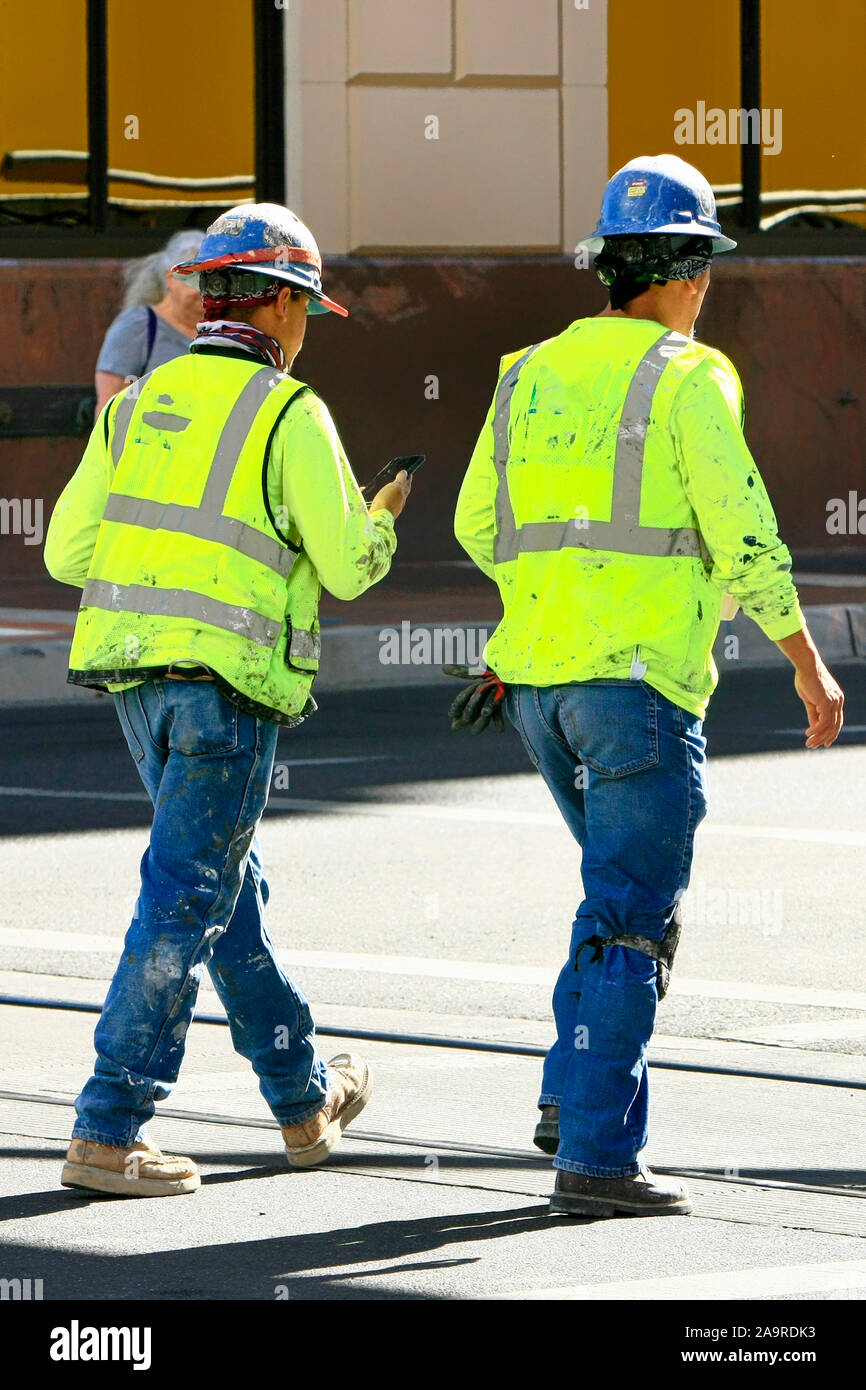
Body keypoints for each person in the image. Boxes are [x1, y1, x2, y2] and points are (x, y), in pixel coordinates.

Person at [452, 155, 844, 1218]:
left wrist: (551, 599)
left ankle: (560, 1089)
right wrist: (805, 659)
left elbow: (474, 528)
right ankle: (595, 1156)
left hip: (535, 685)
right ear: (681, 273)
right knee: (634, 914)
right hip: (637, 691)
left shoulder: (522, 372)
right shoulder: (686, 376)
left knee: (606, 890)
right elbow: (745, 533)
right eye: (704, 270)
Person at [44, 202, 412, 1197]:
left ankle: (301, 1103)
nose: (303, 331)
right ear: (284, 307)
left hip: (131, 677)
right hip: (228, 689)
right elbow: (344, 569)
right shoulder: (291, 415)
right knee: (185, 899)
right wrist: (378, 517)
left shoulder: (136, 406)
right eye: (305, 310)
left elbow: (67, 551)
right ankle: (108, 1124)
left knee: (220, 896)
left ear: (210, 296)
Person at [94, 229, 205, 413]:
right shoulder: (138, 326)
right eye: (196, 277)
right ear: (170, 278)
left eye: (213, 278)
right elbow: (109, 408)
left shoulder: (222, 329)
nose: (205, 288)